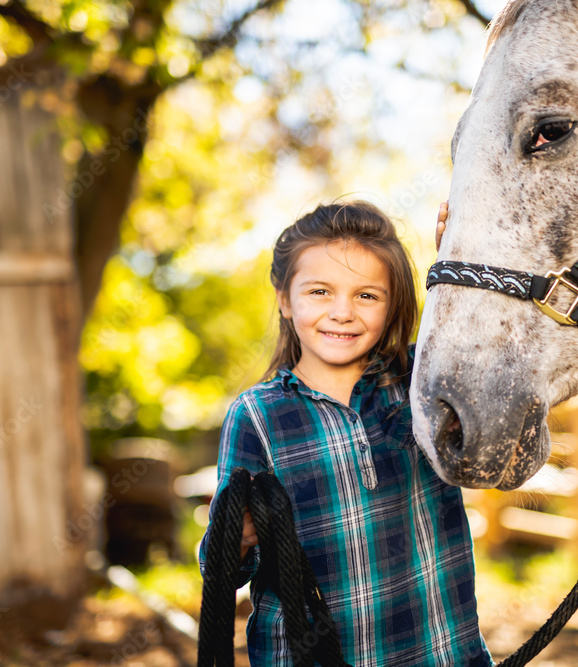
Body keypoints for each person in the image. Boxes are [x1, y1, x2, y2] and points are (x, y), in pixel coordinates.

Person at [198, 200, 492, 666]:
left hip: (443, 652)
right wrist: (236, 540)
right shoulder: (256, 415)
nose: (342, 312)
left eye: (367, 295)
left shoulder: (421, 379)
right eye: (319, 291)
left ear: (392, 303)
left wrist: (464, 262)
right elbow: (222, 565)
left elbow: (487, 351)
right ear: (284, 298)